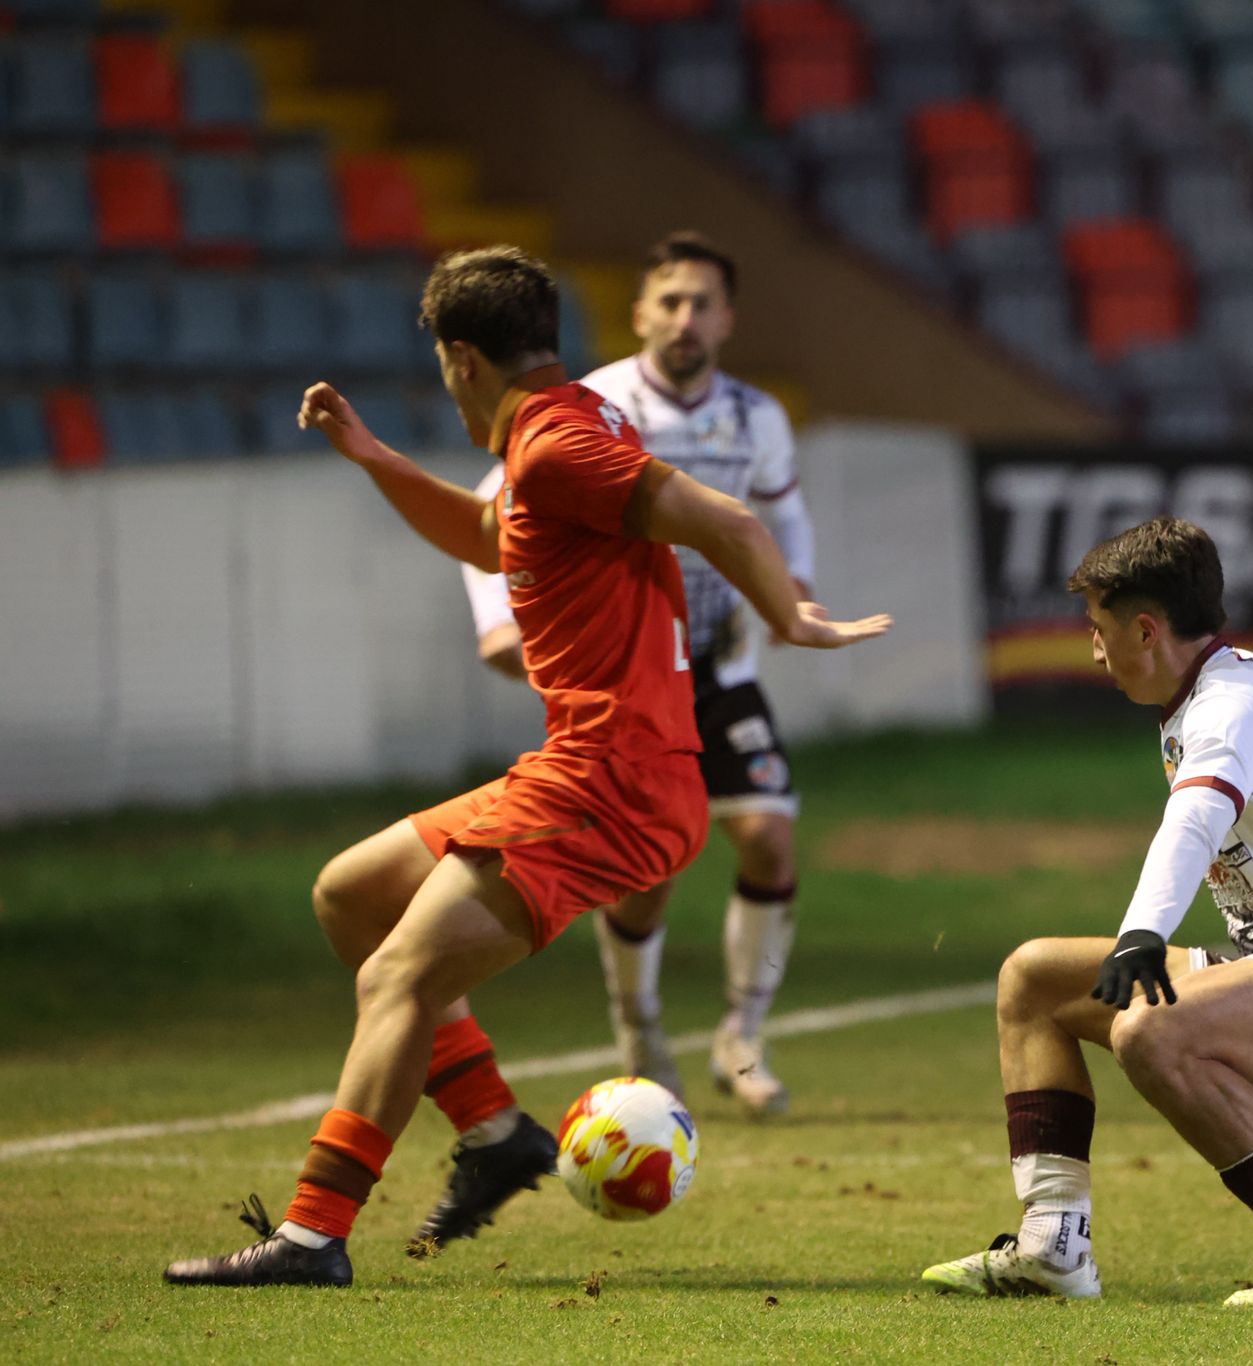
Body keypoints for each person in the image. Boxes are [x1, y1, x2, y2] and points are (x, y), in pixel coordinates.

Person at [163, 245, 889, 1288]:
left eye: (443, 370)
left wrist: (792, 619)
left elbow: (724, 518)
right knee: (350, 897)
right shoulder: (570, 430)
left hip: (613, 781)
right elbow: (483, 533)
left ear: (462, 360)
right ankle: (498, 1132)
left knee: (397, 974)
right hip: (586, 765)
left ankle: (313, 1236)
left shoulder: (560, 447)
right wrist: (372, 455)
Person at [920, 516, 1253, 1308]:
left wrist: (1143, 935)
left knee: (1149, 1030)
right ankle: (1052, 1245)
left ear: (1145, 628)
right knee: (1034, 981)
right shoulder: (1200, 695)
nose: (1093, 648)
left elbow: (1194, 820)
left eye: (1098, 628)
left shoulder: (1233, 705)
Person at [455, 231, 815, 1114]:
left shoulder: (758, 417)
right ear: (639, 312)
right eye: (670, 301)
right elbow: (489, 511)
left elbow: (783, 518)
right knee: (650, 870)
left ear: (727, 319)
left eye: (702, 303)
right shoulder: (595, 403)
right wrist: (498, 621)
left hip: (722, 669)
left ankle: (742, 1038)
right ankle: (640, 1029)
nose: (685, 319)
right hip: (632, 672)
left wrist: (792, 589)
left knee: (769, 836)